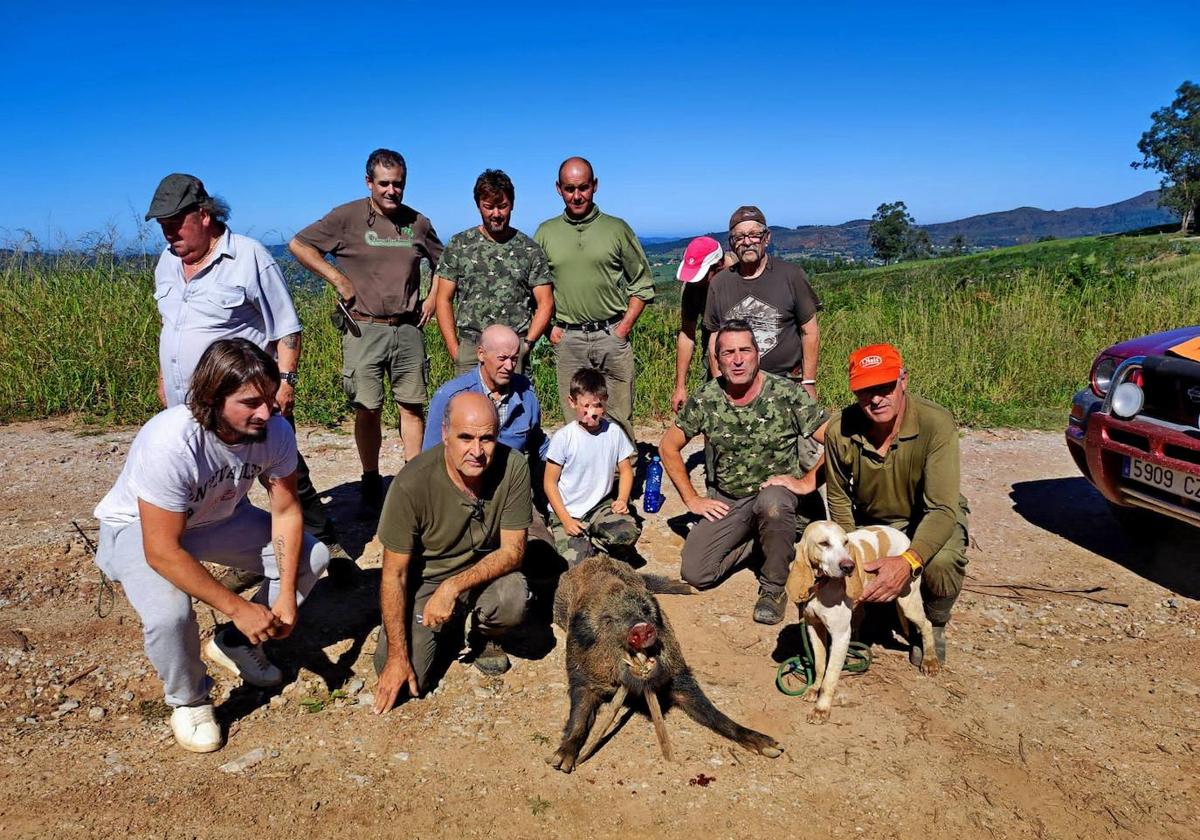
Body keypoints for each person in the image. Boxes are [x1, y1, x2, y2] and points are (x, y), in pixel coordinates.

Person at [92, 339, 331, 753]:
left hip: (216, 517)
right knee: (170, 615)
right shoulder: (172, 442)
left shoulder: (273, 430)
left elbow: (287, 511)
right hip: (141, 527)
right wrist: (239, 607)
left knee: (313, 556)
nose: (266, 412)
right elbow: (163, 550)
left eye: (270, 399)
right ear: (212, 398)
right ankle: (190, 699)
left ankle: (236, 643)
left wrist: (287, 594)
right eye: (250, 402)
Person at [144, 173, 345, 571]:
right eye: (162, 227)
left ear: (203, 215)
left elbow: (286, 327)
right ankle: (249, 559)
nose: (168, 235)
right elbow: (172, 326)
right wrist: (165, 376)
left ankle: (322, 546)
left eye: (174, 224)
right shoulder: (167, 263)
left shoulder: (250, 257)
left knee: (282, 470)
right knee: (218, 480)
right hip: (190, 405)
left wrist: (285, 383)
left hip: (246, 397)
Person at [289, 148, 444, 509]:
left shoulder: (417, 222)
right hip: (363, 328)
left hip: (407, 327)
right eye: (384, 184)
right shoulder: (347, 217)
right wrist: (336, 278)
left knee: (411, 406)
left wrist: (434, 299)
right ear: (369, 182)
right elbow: (299, 244)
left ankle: (413, 481)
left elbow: (444, 263)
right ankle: (371, 481)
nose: (392, 191)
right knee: (367, 407)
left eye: (398, 184)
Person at [660, 320, 827, 625]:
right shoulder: (706, 399)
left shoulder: (786, 393)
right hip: (731, 500)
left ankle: (774, 587)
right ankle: (762, 542)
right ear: (717, 359)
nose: (737, 360)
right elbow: (668, 448)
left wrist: (806, 482)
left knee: (772, 504)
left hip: (779, 497)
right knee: (697, 572)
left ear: (757, 354)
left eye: (744, 351)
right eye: (728, 353)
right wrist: (692, 499)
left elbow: (836, 440)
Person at [372, 392, 532, 709]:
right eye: (465, 438)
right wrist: (397, 655)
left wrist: (453, 587)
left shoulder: (513, 467)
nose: (476, 451)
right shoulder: (411, 483)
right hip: (426, 581)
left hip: (480, 572)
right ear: (445, 434)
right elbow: (395, 574)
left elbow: (513, 551)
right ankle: (435, 627)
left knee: (513, 597)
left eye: (487, 439)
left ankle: (484, 633)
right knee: (406, 678)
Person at [822, 343, 970, 664]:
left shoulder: (936, 424)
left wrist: (908, 561)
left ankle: (934, 621)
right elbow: (838, 498)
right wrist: (851, 557)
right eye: (865, 391)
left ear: (903, 380)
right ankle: (861, 616)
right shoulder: (839, 430)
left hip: (926, 516)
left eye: (885, 387)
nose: (875, 399)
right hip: (872, 521)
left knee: (943, 560)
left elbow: (943, 509)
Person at [534, 156, 654, 446]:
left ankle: (622, 483)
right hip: (569, 339)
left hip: (610, 336)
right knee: (574, 418)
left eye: (583, 187)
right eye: (570, 188)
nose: (577, 196)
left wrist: (623, 328)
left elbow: (643, 283)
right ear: (558, 189)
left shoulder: (616, 229)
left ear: (595, 186)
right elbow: (532, 288)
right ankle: (582, 480)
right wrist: (550, 329)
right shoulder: (545, 233)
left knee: (618, 414)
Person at [433, 169, 555, 375]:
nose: (496, 214)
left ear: (512, 204)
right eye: (489, 207)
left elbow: (545, 302)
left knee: (515, 407)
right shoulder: (460, 244)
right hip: (472, 348)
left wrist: (526, 345)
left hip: (514, 349)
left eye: (502, 206)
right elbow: (443, 299)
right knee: (470, 406)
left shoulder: (529, 249)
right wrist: (455, 350)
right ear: (478, 205)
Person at [703, 206, 822, 398]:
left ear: (766, 238)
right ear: (732, 244)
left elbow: (810, 330)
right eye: (739, 237)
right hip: (737, 387)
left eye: (754, 235)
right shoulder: (720, 283)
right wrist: (720, 383)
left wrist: (808, 381)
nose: (747, 242)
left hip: (786, 384)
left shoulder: (791, 275)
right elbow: (714, 338)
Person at [543, 368, 641, 567]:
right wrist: (565, 519)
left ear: (604, 402)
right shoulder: (564, 437)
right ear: (572, 402)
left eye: (596, 405)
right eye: (585, 405)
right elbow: (549, 483)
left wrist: (622, 499)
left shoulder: (613, 432)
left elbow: (626, 470)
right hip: (567, 510)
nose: (591, 412)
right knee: (576, 567)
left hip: (599, 506)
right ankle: (572, 539)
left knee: (627, 532)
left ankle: (595, 542)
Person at [422, 325, 545, 457]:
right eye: (502, 359)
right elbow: (431, 456)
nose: (509, 366)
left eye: (514, 359)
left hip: (510, 474)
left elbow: (538, 446)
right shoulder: (450, 396)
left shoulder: (525, 392)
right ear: (481, 354)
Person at [671, 236, 734, 413]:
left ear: (719, 265)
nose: (695, 282)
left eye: (701, 276)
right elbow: (687, 334)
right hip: (712, 352)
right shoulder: (691, 288)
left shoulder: (742, 273)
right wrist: (680, 387)